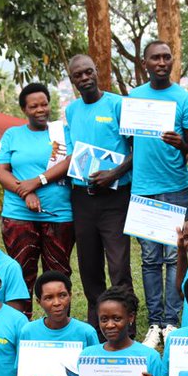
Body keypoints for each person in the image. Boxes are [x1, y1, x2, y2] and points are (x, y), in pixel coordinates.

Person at [129, 41, 188, 347]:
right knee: (148, 258)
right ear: (145, 63)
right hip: (142, 190)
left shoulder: (184, 99)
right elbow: (128, 145)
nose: (161, 62)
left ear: (172, 62)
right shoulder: (133, 98)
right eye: (155, 57)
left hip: (175, 189)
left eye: (166, 57)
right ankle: (154, 322)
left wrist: (179, 144)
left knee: (173, 256)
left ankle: (171, 321)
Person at [65, 54, 135, 331]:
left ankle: (127, 325)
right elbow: (72, 152)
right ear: (72, 80)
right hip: (83, 197)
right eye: (77, 75)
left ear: (97, 71)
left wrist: (113, 174)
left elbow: (136, 149)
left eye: (88, 72)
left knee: (118, 265)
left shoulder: (117, 104)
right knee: (89, 265)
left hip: (116, 196)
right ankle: (98, 326)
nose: (84, 78)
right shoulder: (71, 111)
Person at [0, 83, 75, 310]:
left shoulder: (62, 133)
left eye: (44, 104)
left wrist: (37, 182)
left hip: (58, 216)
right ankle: (21, 327)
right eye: (34, 106)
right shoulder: (12, 135)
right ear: (24, 110)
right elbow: (1, 170)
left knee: (58, 274)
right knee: (21, 273)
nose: (41, 109)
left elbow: (69, 162)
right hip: (19, 215)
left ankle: (58, 327)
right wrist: (25, 193)